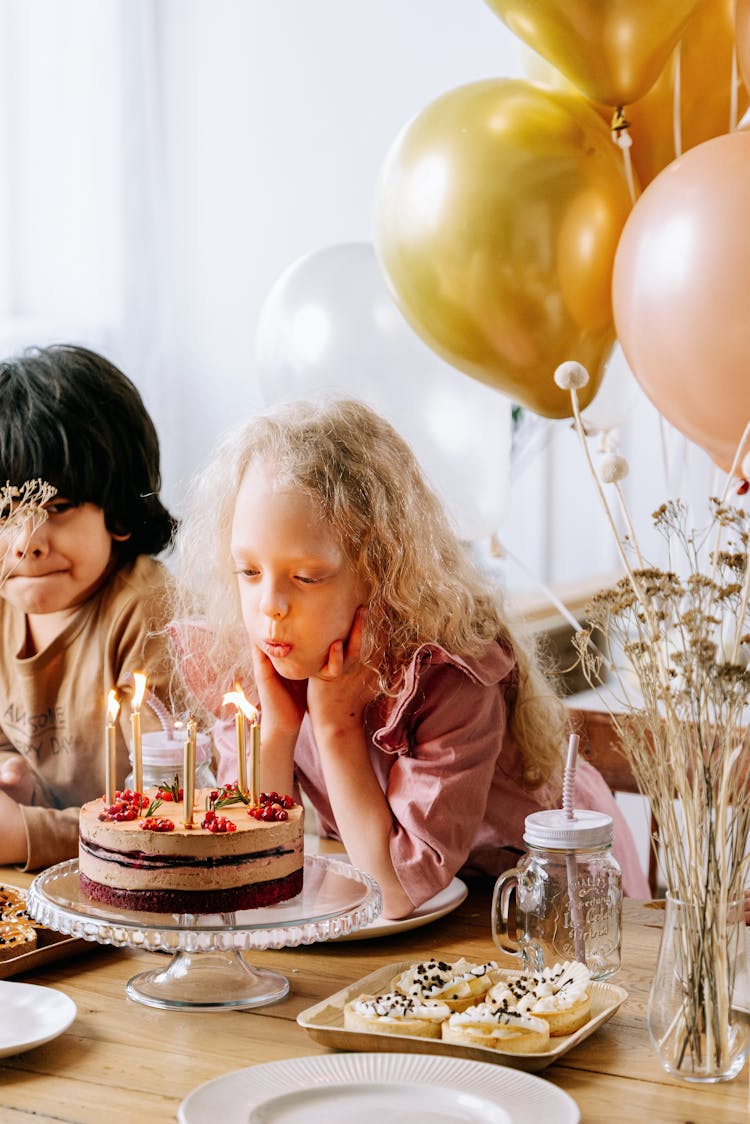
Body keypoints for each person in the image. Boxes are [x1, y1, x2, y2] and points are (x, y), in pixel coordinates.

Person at [173, 397, 649, 918]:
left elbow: (395, 892)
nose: (270, 607)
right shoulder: (265, 663)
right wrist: (277, 733)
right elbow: (248, 867)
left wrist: (336, 726)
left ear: (378, 569)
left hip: (550, 902)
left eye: (306, 577)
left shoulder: (450, 678)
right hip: (430, 917)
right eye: (248, 572)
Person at [0, 344, 179, 870]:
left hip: (145, 896)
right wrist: (14, 773)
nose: (25, 541)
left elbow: (173, 811)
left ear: (118, 511)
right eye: (4, 509)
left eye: (57, 508)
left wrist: (29, 833)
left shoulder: (145, 610)